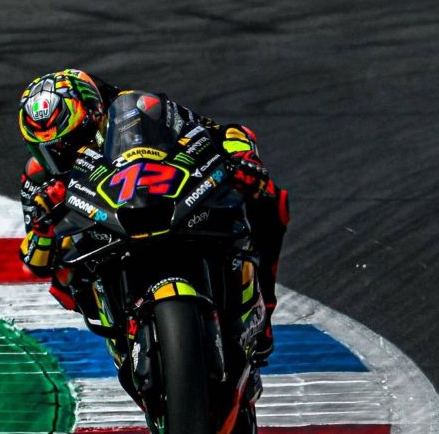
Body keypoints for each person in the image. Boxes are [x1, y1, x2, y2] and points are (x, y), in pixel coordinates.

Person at [16, 68, 290, 363]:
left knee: (267, 195)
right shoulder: (38, 178)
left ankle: (263, 309)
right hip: (99, 235)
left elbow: (220, 131)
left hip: (159, 197)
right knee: (63, 271)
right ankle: (120, 331)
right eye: (52, 150)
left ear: (96, 115)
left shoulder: (138, 108)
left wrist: (242, 157)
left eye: (76, 140)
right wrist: (43, 225)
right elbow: (36, 262)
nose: (64, 155)